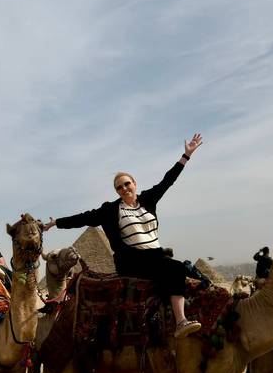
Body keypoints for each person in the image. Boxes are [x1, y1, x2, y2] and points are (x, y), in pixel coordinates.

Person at [43, 133, 203, 338]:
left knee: (177, 268)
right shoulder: (110, 210)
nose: (124, 188)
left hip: (154, 256)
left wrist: (186, 155)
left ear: (134, 183)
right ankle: (181, 321)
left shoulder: (148, 199)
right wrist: (56, 223)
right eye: (119, 187)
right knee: (176, 268)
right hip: (131, 260)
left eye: (127, 184)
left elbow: (168, 180)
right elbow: (83, 218)